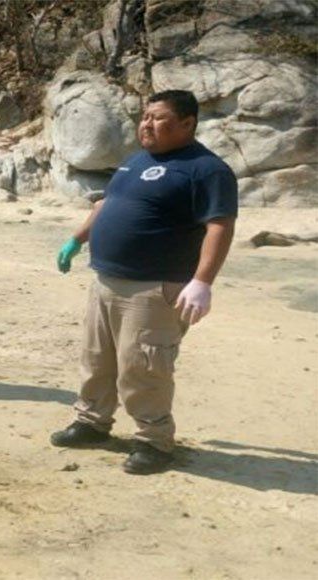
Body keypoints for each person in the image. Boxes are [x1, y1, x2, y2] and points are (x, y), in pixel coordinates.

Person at [52, 90, 238, 475]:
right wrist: (77, 238)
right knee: (96, 358)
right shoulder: (135, 161)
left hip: (156, 288)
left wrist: (202, 281)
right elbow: (106, 204)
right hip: (106, 280)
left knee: (144, 367)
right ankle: (91, 423)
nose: (146, 124)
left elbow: (219, 225)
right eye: (144, 116)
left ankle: (154, 441)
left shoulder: (206, 169)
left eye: (158, 117)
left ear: (187, 123)